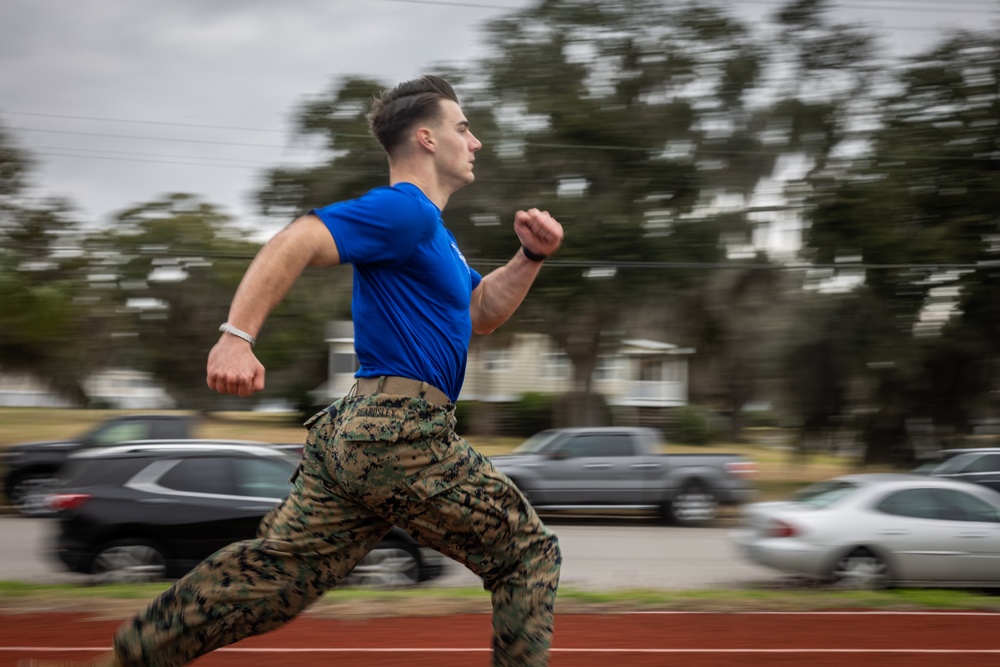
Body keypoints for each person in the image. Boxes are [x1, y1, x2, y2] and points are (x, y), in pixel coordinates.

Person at [30, 75, 563, 667]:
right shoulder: (404, 210)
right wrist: (235, 337)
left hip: (357, 434)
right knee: (527, 555)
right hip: (400, 431)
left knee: (275, 581)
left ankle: (122, 661)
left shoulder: (433, 234)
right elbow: (299, 238)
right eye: (464, 127)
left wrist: (530, 256)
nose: (476, 141)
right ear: (427, 138)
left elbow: (481, 312)